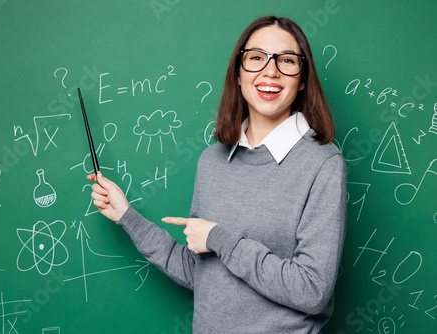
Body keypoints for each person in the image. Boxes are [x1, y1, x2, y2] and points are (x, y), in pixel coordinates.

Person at [88, 15, 347, 334]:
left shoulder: (322, 163)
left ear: (302, 79)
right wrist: (127, 215)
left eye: (287, 61)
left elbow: (312, 291)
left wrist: (219, 238)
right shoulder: (212, 161)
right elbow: (202, 274)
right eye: (256, 58)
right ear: (238, 74)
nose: (270, 70)